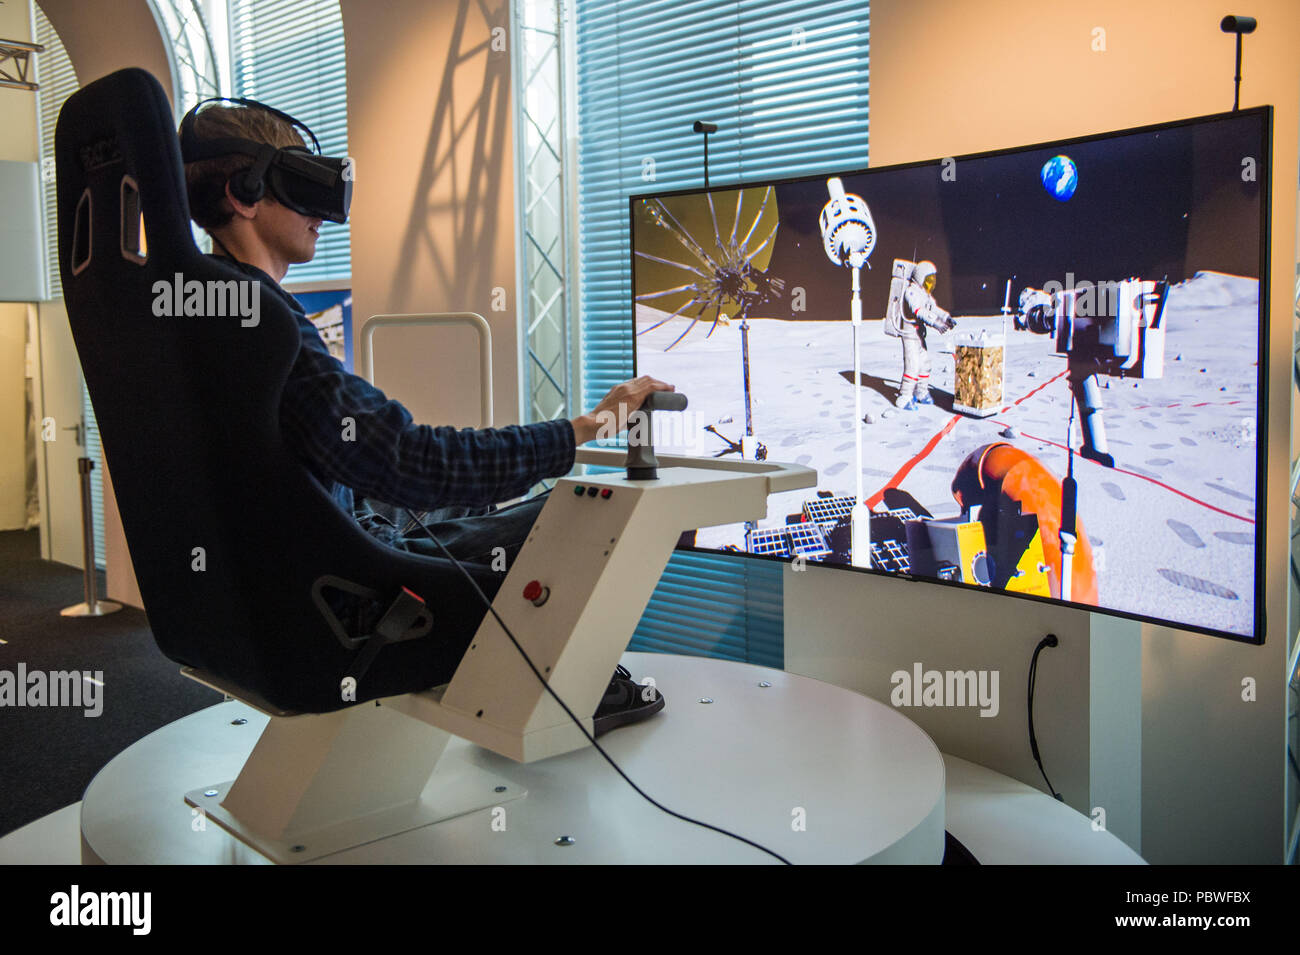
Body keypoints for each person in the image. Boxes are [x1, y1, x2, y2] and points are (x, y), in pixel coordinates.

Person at [180, 99, 668, 734]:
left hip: (272, 591)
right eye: (301, 184)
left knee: (472, 505)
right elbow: (407, 461)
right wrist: (585, 429)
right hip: (340, 602)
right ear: (243, 194)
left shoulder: (203, 309)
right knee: (586, 508)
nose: (322, 213)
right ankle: (570, 691)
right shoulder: (264, 326)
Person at [893, 260, 955, 410]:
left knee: (925, 363)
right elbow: (918, 311)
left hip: (918, 334)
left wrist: (945, 317)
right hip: (909, 334)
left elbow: (933, 308)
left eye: (932, 280)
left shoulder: (924, 294)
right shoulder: (911, 292)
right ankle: (905, 396)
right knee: (912, 365)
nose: (931, 284)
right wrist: (936, 323)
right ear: (920, 278)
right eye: (929, 280)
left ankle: (921, 392)